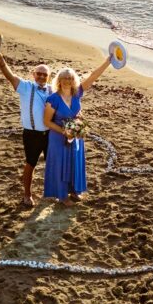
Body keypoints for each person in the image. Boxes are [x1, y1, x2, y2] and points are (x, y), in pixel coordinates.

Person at [43, 55, 112, 206]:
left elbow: (93, 76)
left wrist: (108, 61)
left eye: (70, 77)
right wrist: (64, 131)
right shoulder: (53, 99)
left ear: (74, 80)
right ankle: (62, 196)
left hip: (75, 135)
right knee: (61, 164)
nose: (67, 80)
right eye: (64, 77)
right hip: (58, 136)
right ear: (59, 81)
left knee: (74, 162)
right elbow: (47, 122)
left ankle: (74, 191)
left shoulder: (77, 93)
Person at [0, 52, 52, 207]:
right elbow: (10, 76)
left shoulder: (52, 90)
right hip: (32, 134)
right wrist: (1, 61)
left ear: (49, 77)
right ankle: (27, 194)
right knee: (30, 163)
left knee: (52, 164)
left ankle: (53, 191)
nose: (41, 76)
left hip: (50, 134)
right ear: (33, 74)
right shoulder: (26, 87)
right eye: (38, 73)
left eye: (44, 74)